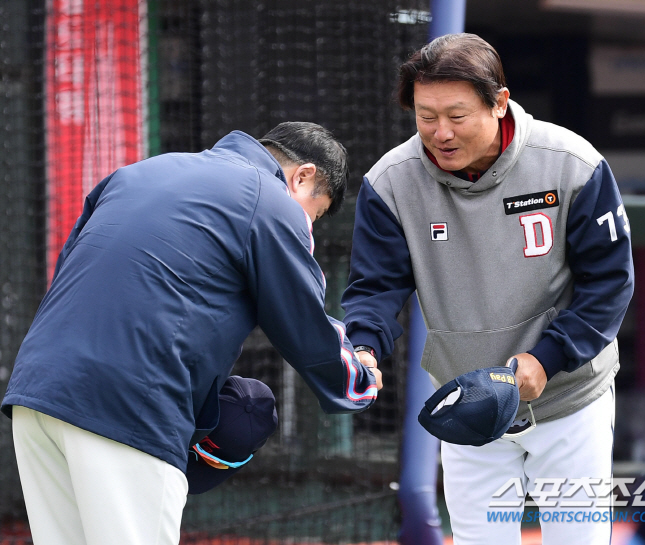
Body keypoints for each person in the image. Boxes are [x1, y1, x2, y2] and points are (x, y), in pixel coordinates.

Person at [1, 121, 380, 545]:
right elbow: (302, 320)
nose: (309, 222)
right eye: (316, 210)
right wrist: (359, 378)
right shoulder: (269, 197)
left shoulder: (140, 171)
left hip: (36, 393)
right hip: (130, 403)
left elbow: (67, 273)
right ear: (303, 176)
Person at [341, 34, 634, 544]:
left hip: (569, 399)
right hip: (468, 402)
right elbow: (376, 286)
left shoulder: (571, 163)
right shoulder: (390, 181)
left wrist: (547, 358)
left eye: (456, 115)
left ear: (499, 102)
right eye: (425, 115)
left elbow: (608, 282)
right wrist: (364, 347)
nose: (440, 132)